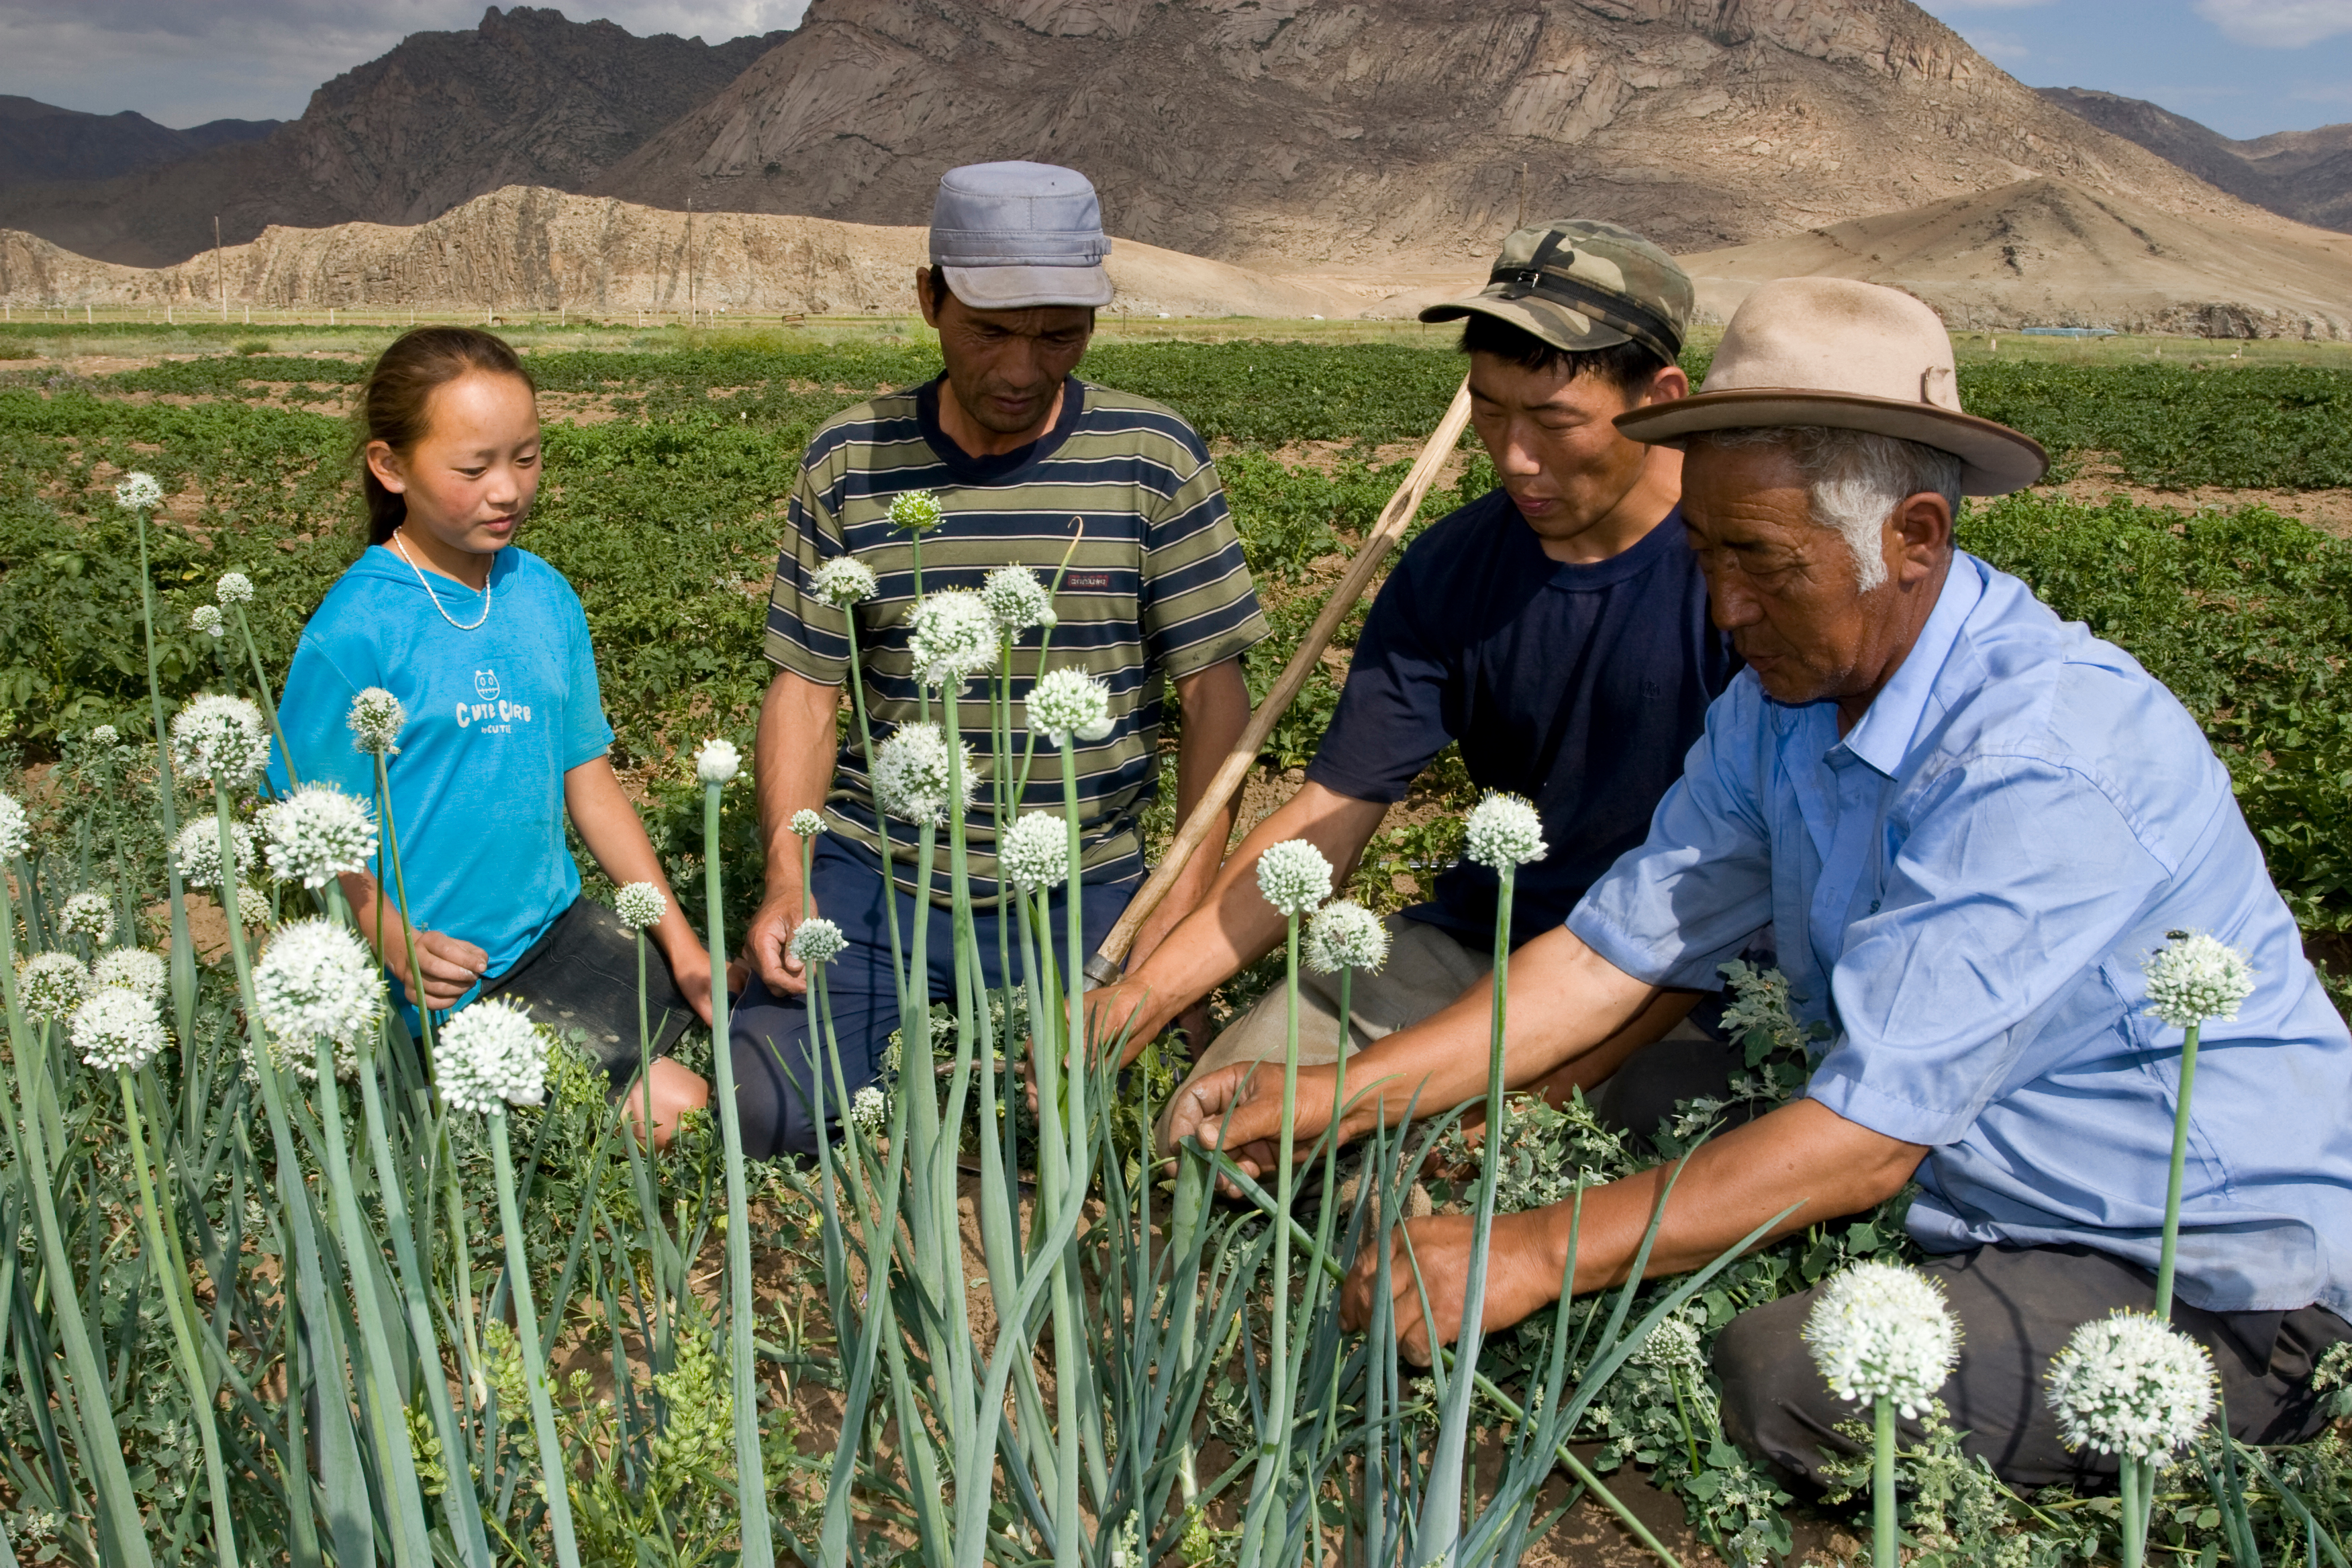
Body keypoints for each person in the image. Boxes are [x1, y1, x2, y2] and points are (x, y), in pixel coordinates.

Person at [1165, 278, 2352, 1489]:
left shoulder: (2035, 757)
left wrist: (1523, 1253)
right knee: (1627, 1110)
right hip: (1967, 1174)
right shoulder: (1781, 703)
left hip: (2196, 1273)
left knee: (1786, 1379)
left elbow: (1861, 1142)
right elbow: (1611, 953)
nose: (1724, 607)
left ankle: (2266, 1404)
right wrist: (1341, 1092)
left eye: (1763, 565)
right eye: (1701, 556)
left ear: (1914, 539)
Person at [1091, 219, 1741, 1138]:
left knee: (1538, 1175)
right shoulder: (1451, 570)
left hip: (1688, 981)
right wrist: (1144, 995)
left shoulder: (1740, 574)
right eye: (1491, 409)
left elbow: (1733, 900)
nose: (1514, 457)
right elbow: (1328, 817)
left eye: (1554, 422)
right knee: (1225, 1115)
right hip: (1486, 948)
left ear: (1661, 398)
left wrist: (1540, 1099)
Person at [725, 161, 1266, 1158]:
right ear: (929, 297)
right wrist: (786, 872)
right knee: (761, 1107)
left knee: (1125, 1131)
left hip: (1085, 888)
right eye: (990, 330)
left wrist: (1175, 929)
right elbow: (805, 690)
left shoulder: (1154, 459)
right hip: (875, 875)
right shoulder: (851, 460)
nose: (1023, 368)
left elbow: (1214, 706)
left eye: (1060, 333)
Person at [271, 326, 715, 1144]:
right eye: (474, 469)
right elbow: (312, 827)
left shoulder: (542, 594)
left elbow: (589, 778)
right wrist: (392, 938)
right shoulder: (357, 629)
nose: (507, 490)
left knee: (754, 1048)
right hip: (443, 979)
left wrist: (683, 947)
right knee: (679, 1112)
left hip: (557, 930)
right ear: (390, 465)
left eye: (528, 457)